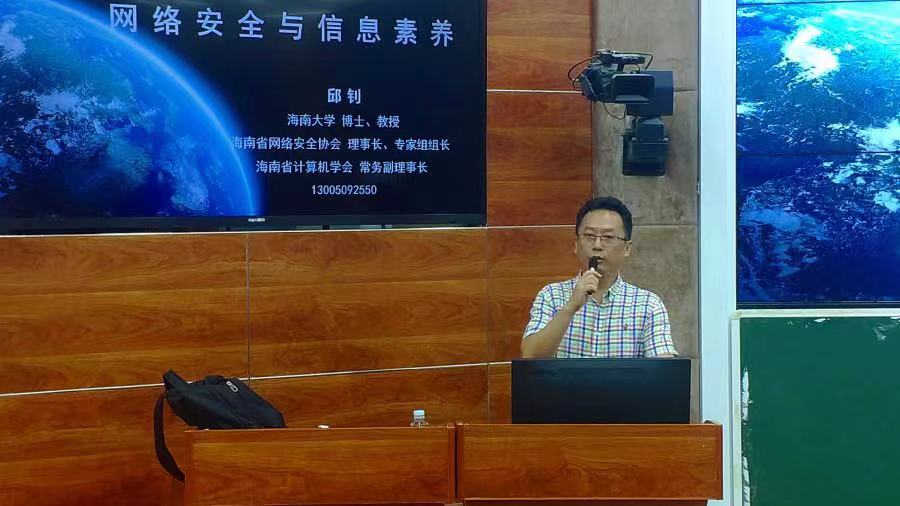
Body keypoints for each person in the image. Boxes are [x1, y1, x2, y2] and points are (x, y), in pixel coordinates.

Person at [521, 196, 677, 359]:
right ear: (576, 244)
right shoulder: (551, 296)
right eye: (589, 236)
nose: (597, 245)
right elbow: (530, 357)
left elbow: (664, 369)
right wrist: (570, 307)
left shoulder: (648, 305)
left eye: (608, 237)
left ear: (627, 248)